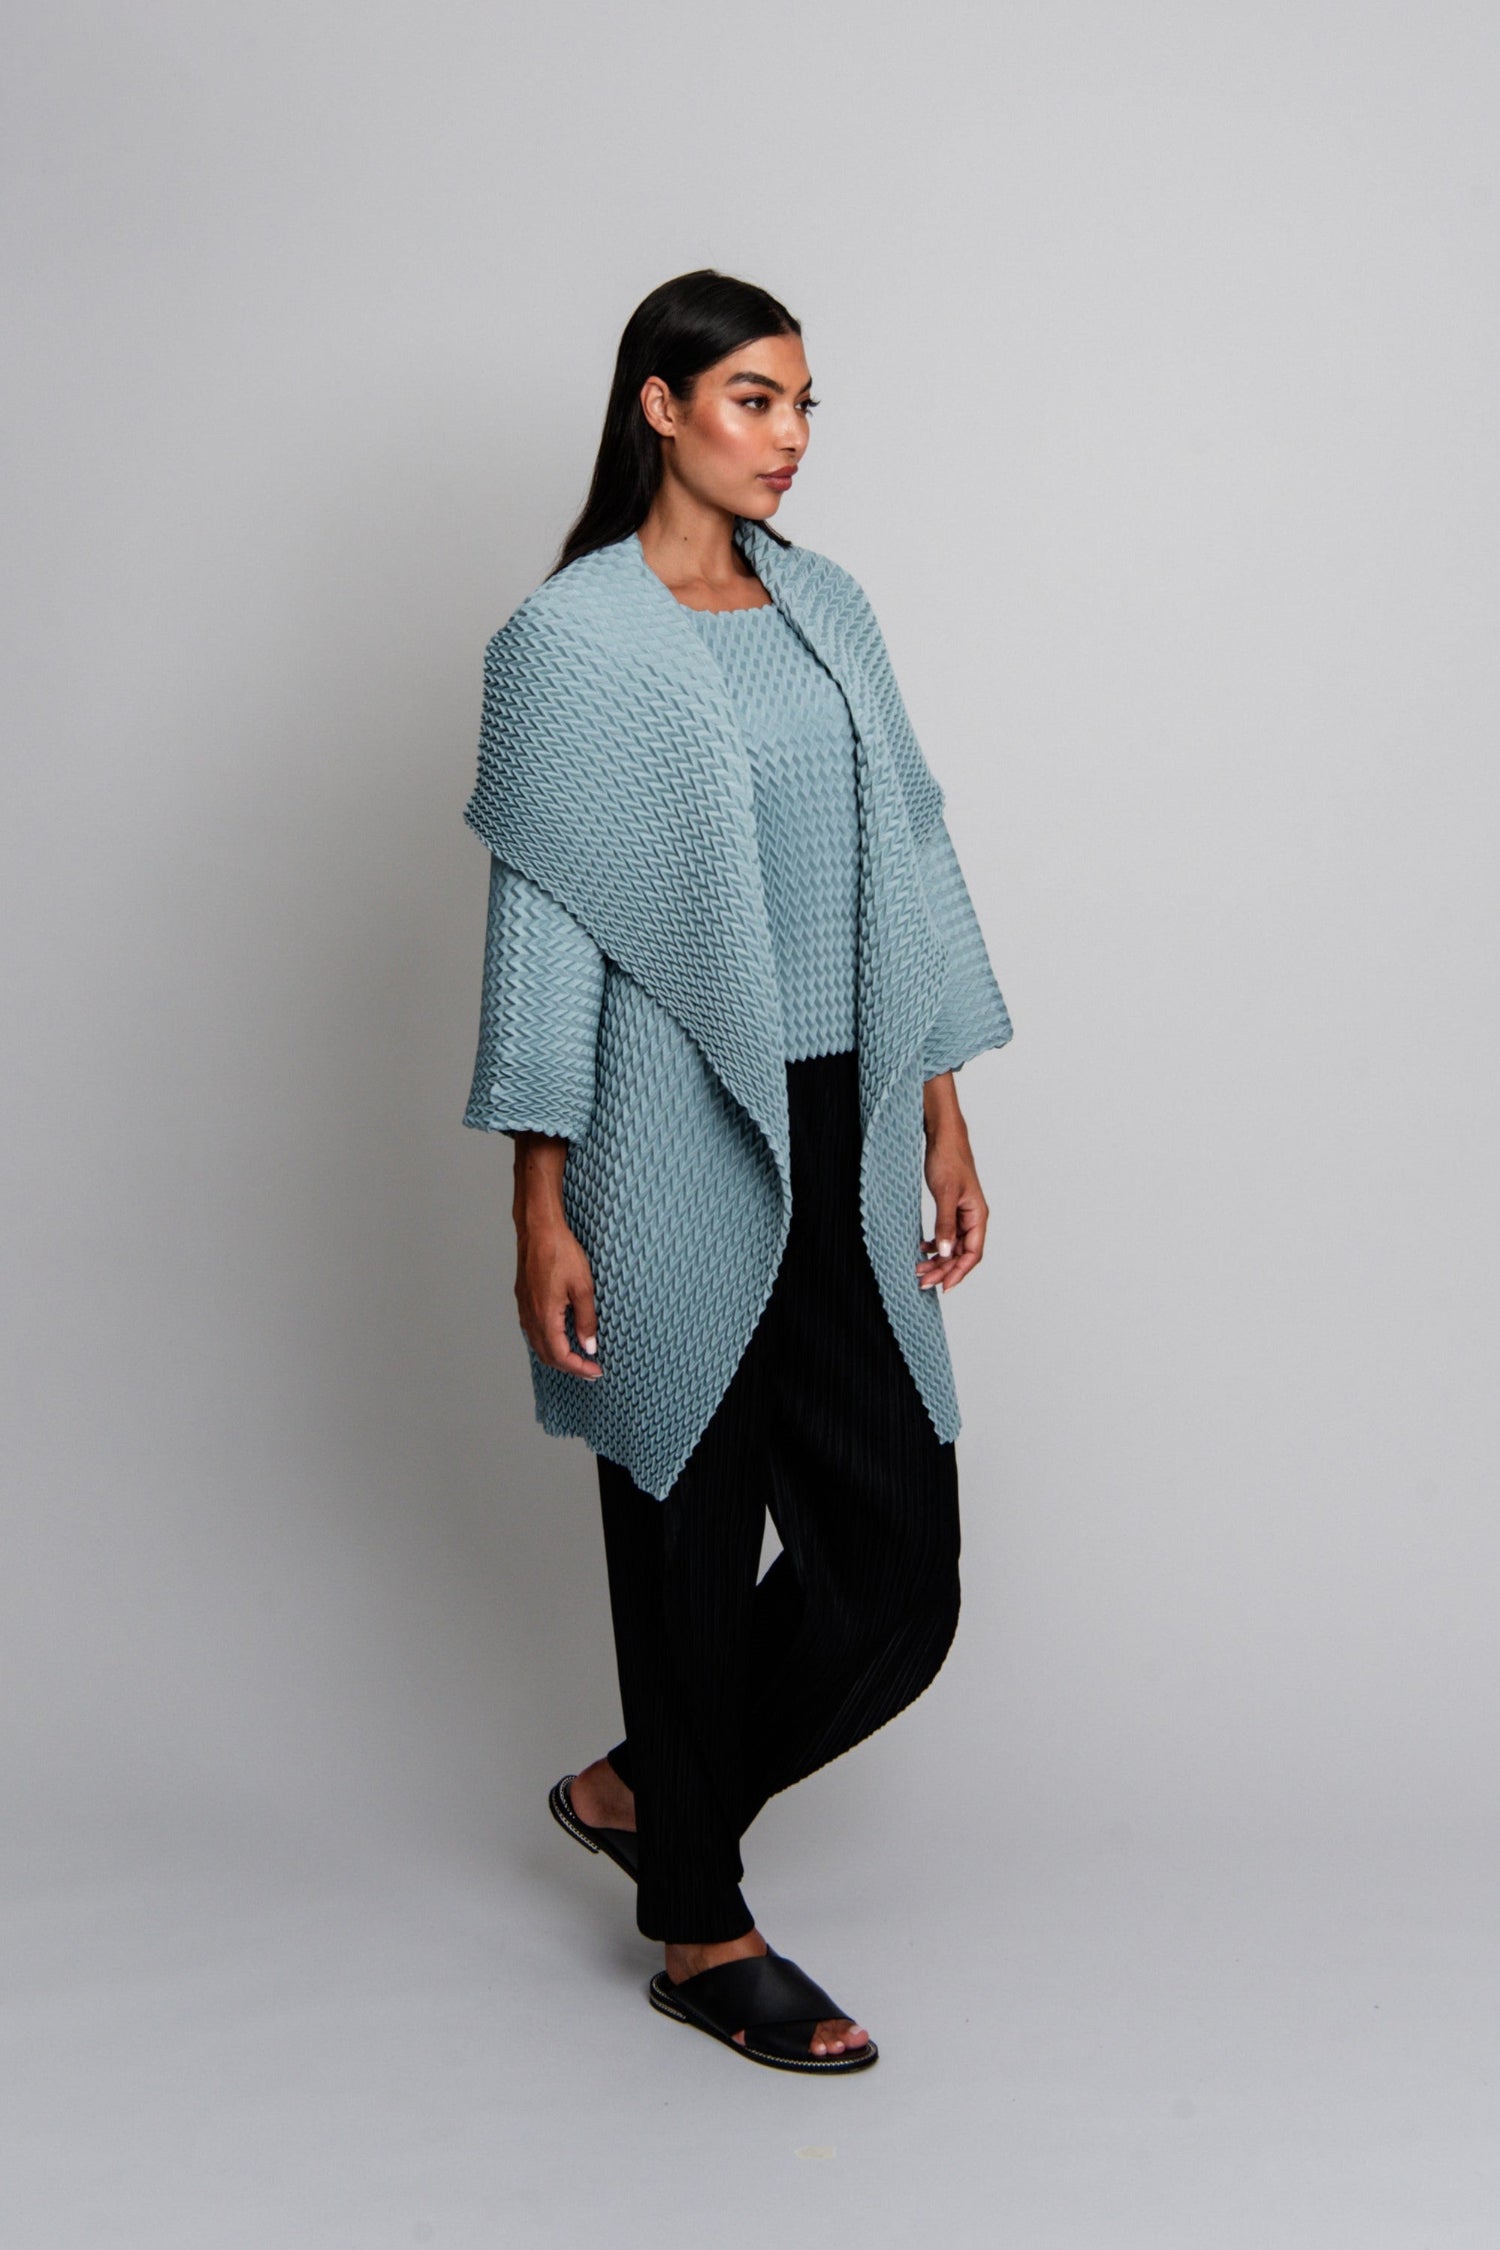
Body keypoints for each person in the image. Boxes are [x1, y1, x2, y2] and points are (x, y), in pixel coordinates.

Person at [462, 269, 1013, 2074]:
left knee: (900, 1568)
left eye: (801, 406)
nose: (787, 438)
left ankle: (646, 1790)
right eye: (754, 400)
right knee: (687, 1540)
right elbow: (543, 923)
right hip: (663, 1125)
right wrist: (540, 1198)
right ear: (660, 403)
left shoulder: (825, 605)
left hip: (844, 1117)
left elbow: (909, 847)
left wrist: (940, 1103)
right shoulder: (569, 640)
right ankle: (702, 1927)